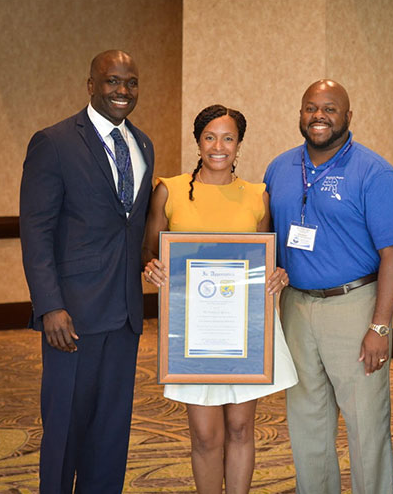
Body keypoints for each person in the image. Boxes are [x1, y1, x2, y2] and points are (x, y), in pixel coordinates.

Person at [142, 104, 298, 494]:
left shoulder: (257, 196)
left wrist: (278, 273)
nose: (219, 146)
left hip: (244, 328)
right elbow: (147, 250)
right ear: (198, 141)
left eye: (228, 138)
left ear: (239, 144)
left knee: (242, 427)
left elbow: (267, 258)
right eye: (210, 136)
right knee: (206, 434)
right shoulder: (169, 190)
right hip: (192, 330)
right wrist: (151, 266)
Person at [263, 79, 393, 494]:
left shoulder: (375, 172)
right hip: (295, 306)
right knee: (306, 420)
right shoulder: (279, 168)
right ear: (300, 115)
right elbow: (267, 239)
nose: (319, 116)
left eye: (330, 108)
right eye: (311, 108)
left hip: (355, 305)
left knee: (365, 422)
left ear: (348, 116)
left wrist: (382, 326)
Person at [19, 50, 154, 493]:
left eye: (130, 82)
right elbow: (36, 232)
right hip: (72, 317)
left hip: (125, 316)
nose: (122, 91)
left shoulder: (143, 144)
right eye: (112, 81)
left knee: (111, 435)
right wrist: (50, 307)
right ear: (91, 84)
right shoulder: (54, 142)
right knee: (64, 432)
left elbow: (131, 227)